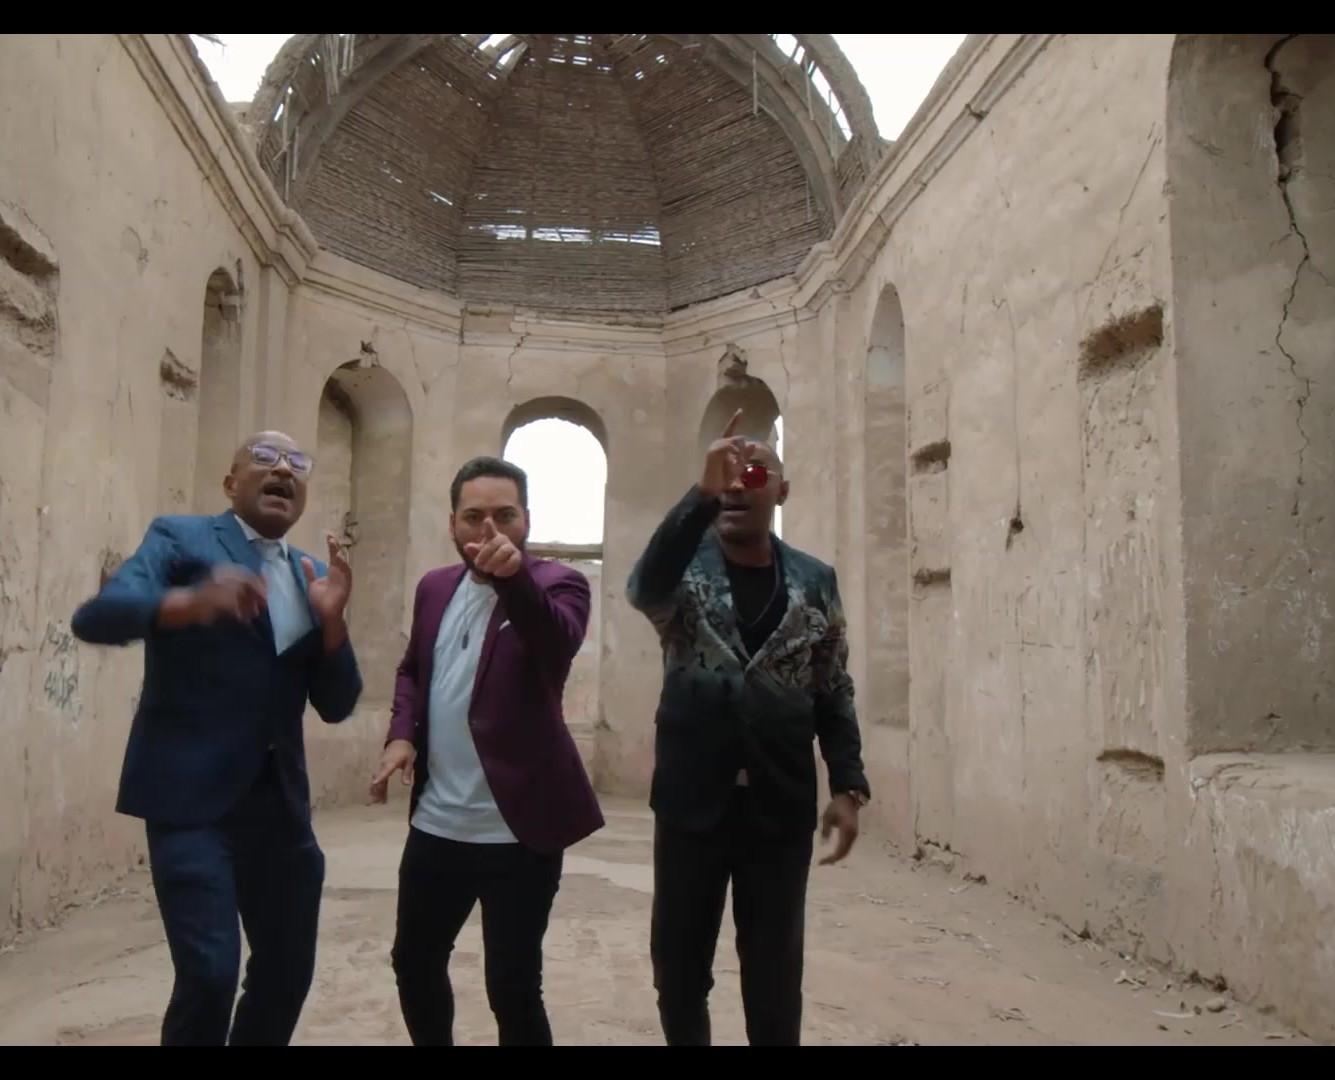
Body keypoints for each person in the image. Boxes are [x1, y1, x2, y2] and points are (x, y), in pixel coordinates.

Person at [69, 430, 362, 1046]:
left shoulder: (310, 573)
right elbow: (96, 617)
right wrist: (186, 604)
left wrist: (332, 624)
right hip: (190, 804)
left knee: (285, 974)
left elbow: (337, 705)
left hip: (280, 815)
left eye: (296, 463)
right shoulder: (181, 538)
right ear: (231, 483)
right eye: (265, 458)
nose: (283, 469)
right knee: (208, 975)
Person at [625, 409, 871, 1047]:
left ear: (781, 490)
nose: (738, 483)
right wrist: (698, 495)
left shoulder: (815, 582)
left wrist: (847, 785)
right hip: (691, 807)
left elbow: (832, 686)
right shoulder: (682, 574)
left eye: (755, 471)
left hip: (778, 809)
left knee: (774, 978)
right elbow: (641, 586)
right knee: (680, 973)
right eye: (726, 472)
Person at [370, 455, 604, 1046]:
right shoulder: (434, 588)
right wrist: (402, 734)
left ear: (527, 520)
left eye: (505, 515)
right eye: (474, 516)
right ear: (453, 523)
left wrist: (513, 579)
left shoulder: (559, 584)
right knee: (414, 963)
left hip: (520, 832)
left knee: (514, 986)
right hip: (437, 824)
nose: (489, 529)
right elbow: (412, 670)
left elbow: (556, 640)